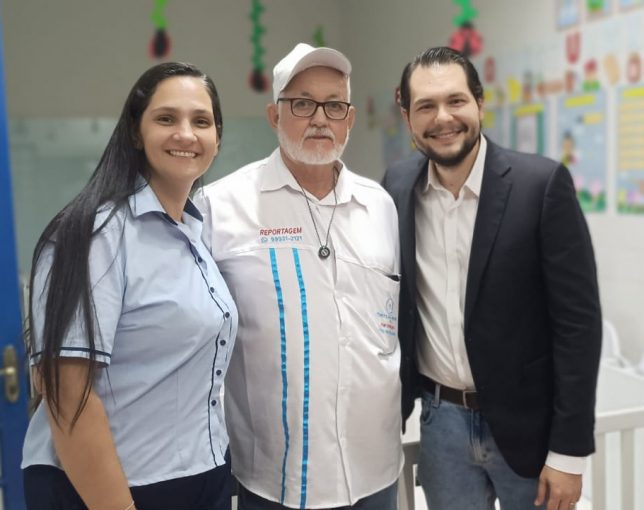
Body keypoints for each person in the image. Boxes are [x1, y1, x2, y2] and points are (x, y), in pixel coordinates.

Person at [382, 46, 602, 510]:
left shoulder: (540, 185)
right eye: (426, 106)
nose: (443, 117)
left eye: (455, 100)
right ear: (408, 117)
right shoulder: (397, 187)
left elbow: (578, 326)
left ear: (480, 103)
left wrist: (569, 452)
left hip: (530, 429)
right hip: (441, 423)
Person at [22, 62, 238, 510]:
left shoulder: (194, 234)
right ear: (136, 132)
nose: (186, 134)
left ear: (217, 137)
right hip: (108, 489)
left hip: (200, 477)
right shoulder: (93, 234)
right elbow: (67, 394)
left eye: (201, 121)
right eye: (166, 118)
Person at [195, 43, 401, 510]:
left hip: (375, 470)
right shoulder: (220, 208)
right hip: (275, 478)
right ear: (274, 115)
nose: (320, 119)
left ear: (349, 119)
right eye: (303, 104)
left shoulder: (379, 206)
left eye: (335, 105)